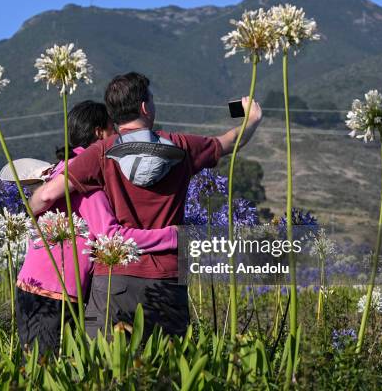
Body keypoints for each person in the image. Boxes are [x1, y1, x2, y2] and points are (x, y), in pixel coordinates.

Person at [29, 72, 263, 337]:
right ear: (144, 107)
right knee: (166, 369)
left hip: (114, 280)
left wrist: (29, 208)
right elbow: (230, 141)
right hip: (168, 279)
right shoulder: (182, 146)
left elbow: (47, 195)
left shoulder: (100, 153)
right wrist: (252, 119)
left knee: (107, 367)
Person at [15, 100, 178, 354]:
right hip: (55, 292)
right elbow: (111, 237)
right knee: (50, 369)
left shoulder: (59, 169)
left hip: (32, 283)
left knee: (35, 365)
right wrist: (171, 236)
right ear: (100, 133)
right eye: (114, 131)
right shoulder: (85, 181)